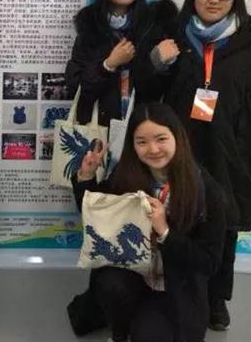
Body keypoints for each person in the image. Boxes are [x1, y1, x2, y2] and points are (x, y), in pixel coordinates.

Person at [139, 0, 251, 330]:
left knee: (224, 228)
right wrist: (156, 62)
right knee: (178, 217)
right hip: (180, 150)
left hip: (231, 153)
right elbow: (148, 95)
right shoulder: (175, 37)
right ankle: (175, 292)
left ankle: (216, 299)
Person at [71, 102, 226, 342]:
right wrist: (86, 176)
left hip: (176, 285)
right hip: (133, 274)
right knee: (111, 284)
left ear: (178, 137)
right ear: (132, 145)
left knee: (150, 336)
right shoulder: (127, 174)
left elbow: (209, 263)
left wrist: (165, 231)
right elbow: (97, 214)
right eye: (141, 142)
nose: (152, 149)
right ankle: (120, 333)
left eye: (161, 139)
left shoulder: (206, 190)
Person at [65, 0, 177, 127]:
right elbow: (75, 85)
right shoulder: (90, 25)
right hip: (98, 127)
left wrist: (156, 63)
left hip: (140, 126)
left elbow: (160, 91)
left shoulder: (153, 25)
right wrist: (108, 65)